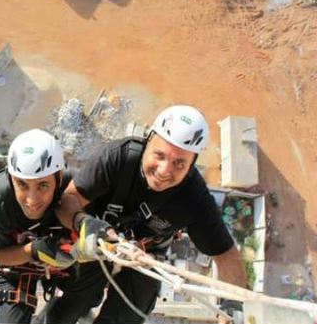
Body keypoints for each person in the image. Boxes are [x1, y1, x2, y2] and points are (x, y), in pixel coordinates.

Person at [56, 105, 247, 324]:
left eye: (179, 163)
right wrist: (83, 223)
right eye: (160, 155)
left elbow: (226, 255)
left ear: (191, 166)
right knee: (69, 306)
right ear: (147, 144)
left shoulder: (194, 199)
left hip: (145, 255)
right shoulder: (117, 158)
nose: (165, 170)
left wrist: (231, 309)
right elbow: (68, 201)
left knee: (127, 316)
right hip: (96, 240)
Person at [0, 129, 106, 324]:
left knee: (82, 296)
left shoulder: (75, 192)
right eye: (22, 185)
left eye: (43, 185)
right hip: (16, 265)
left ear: (59, 178)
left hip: (67, 261)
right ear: (10, 179)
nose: (31, 200)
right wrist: (33, 250)